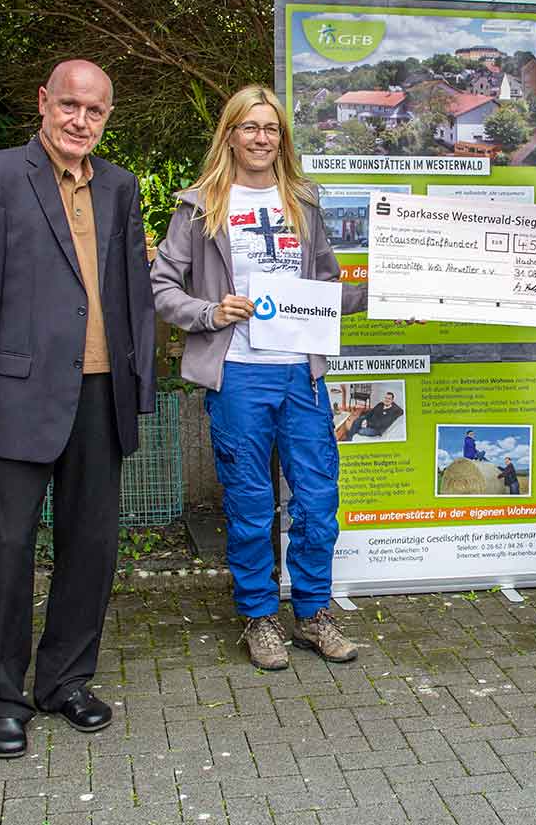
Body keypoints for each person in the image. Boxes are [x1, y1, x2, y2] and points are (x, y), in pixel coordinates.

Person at [0, 60, 156, 759]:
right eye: (69, 105)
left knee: (91, 546)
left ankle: (65, 679)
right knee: (9, 548)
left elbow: (133, 297)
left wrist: (137, 385)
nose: (79, 121)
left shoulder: (120, 188)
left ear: (106, 118)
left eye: (94, 111)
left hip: (100, 392)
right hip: (19, 393)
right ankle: (2, 697)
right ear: (43, 102)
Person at [151, 85, 366, 672]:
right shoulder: (200, 206)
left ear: (282, 139)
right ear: (230, 134)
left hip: (301, 377)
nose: (261, 138)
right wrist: (209, 312)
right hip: (239, 375)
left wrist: (395, 291)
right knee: (250, 508)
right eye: (249, 127)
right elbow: (161, 287)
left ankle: (315, 614)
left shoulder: (303, 202)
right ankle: (259, 618)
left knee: (319, 503)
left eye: (271, 129)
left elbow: (327, 290)